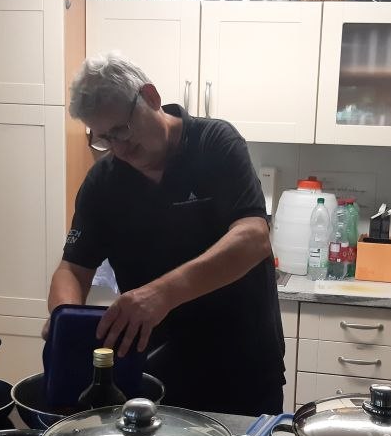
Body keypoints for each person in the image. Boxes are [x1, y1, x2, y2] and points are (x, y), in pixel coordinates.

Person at [47, 53, 284, 416]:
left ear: (151, 97)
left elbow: (253, 238)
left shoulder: (214, 143)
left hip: (243, 366)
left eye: (122, 129)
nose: (120, 149)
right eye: (105, 138)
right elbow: (72, 270)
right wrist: (65, 320)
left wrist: (161, 294)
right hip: (152, 373)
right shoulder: (103, 182)